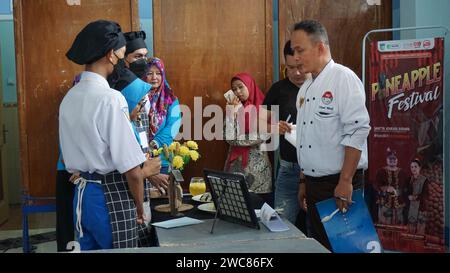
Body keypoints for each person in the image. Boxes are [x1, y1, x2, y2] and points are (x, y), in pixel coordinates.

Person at [60, 20, 161, 250]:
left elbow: (68, 160)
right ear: (110, 55)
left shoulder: (70, 98)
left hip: (83, 197)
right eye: (122, 54)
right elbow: (131, 170)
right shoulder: (110, 99)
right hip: (111, 200)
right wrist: (138, 206)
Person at [291, 20, 371, 250]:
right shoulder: (306, 88)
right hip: (314, 184)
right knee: (320, 243)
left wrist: (345, 181)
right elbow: (306, 137)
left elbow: (357, 130)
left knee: (347, 246)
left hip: (340, 182)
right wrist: (304, 181)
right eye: (294, 51)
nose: (296, 57)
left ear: (320, 47)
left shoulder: (343, 78)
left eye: (300, 50)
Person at [262, 40, 310, 231]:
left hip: (317, 172)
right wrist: (274, 127)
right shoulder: (278, 89)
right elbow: (259, 121)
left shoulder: (319, 87)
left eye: (300, 67)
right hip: (289, 168)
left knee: (316, 229)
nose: (296, 73)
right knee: (279, 224)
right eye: (290, 68)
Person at [224, 72, 273, 204]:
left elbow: (259, 136)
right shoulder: (234, 108)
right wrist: (231, 114)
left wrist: (235, 138)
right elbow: (228, 136)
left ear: (250, 86)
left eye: (241, 87)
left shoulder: (264, 107)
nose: (238, 92)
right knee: (235, 211)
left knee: (260, 215)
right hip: (235, 169)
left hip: (258, 174)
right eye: (234, 89)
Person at [141, 57, 182, 175]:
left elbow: (173, 126)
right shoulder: (138, 97)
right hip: (140, 160)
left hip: (163, 159)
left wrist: (155, 143)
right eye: (149, 73)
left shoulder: (171, 98)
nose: (154, 77)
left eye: (158, 73)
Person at [374, 148, 408, 226]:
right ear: (386, 159)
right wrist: (386, 188)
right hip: (385, 202)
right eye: (390, 158)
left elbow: (406, 187)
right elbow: (376, 184)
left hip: (399, 203)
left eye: (394, 158)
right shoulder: (381, 171)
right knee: (385, 225)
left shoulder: (402, 172)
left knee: (398, 224)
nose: (392, 160)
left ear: (397, 160)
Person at [407, 159, 429, 234]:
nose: (413, 169)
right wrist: (408, 196)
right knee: (411, 230)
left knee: (420, 230)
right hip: (411, 208)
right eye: (412, 167)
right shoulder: (409, 179)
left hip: (421, 207)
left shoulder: (424, 180)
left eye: (415, 167)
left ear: (420, 168)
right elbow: (406, 191)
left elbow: (425, 194)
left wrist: (415, 197)